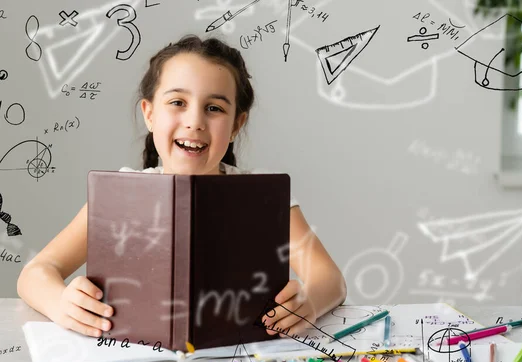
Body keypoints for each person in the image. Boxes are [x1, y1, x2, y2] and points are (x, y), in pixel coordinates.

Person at [17, 35, 346, 340]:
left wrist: (309, 301)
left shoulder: (265, 196)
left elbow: (330, 279)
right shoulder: (119, 195)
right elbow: (35, 273)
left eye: (214, 108)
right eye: (177, 102)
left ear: (236, 125)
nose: (195, 121)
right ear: (149, 114)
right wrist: (61, 302)